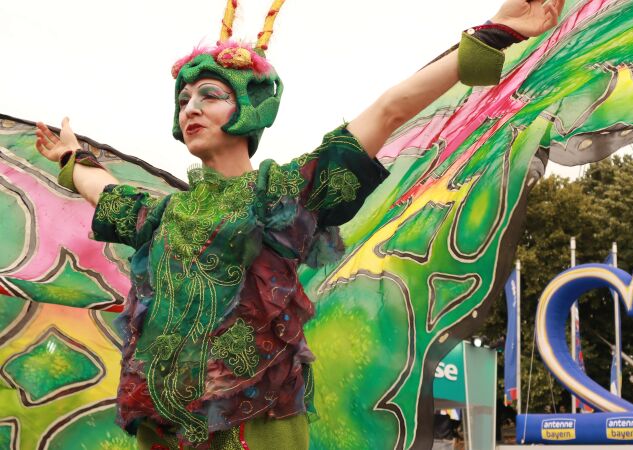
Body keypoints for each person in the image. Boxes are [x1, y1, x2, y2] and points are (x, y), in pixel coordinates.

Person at [33, 1, 564, 448]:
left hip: (259, 423)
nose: (190, 107)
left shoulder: (284, 195)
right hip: (167, 424)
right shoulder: (164, 215)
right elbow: (104, 192)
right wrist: (73, 159)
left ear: (248, 109)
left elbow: (389, 111)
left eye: (209, 95)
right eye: (184, 100)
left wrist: (498, 31)